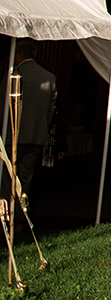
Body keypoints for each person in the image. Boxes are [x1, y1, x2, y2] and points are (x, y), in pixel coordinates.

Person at [10, 41, 56, 207]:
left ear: (21, 53)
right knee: (25, 179)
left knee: (6, 179)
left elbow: (3, 103)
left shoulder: (16, 73)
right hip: (36, 136)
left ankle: (5, 223)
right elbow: (50, 112)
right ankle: (21, 221)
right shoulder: (49, 77)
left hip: (13, 134)